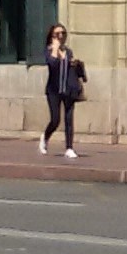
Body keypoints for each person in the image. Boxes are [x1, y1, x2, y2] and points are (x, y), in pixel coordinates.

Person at [40, 20, 85, 157]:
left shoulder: (69, 52)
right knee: (55, 119)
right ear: (52, 36)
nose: (60, 36)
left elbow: (73, 69)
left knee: (69, 118)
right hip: (54, 90)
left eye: (63, 33)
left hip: (68, 89)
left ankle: (69, 148)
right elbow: (52, 65)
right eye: (57, 34)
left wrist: (76, 64)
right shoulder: (49, 51)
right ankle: (45, 137)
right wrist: (55, 49)